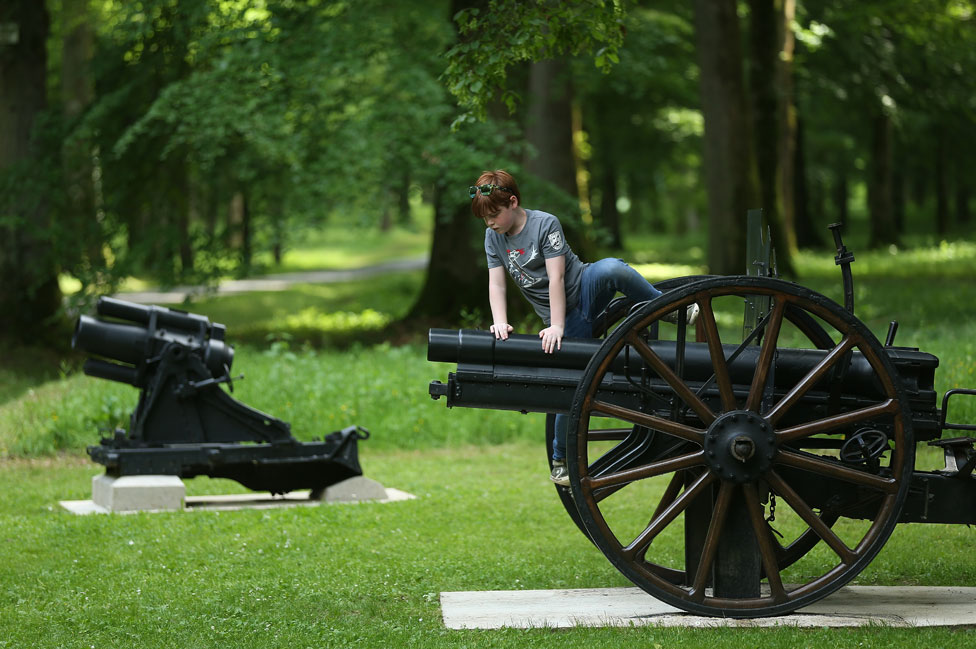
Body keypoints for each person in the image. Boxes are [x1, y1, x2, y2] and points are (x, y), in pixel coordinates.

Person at [469, 169, 699, 486]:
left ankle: (664, 307)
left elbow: (558, 279)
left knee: (613, 268)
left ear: (513, 202)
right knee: (571, 384)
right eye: (485, 217)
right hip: (564, 317)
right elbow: (497, 284)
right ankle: (561, 459)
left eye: (494, 214)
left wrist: (557, 327)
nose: (490, 222)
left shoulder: (544, 224)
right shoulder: (493, 237)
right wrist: (499, 321)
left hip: (582, 290)